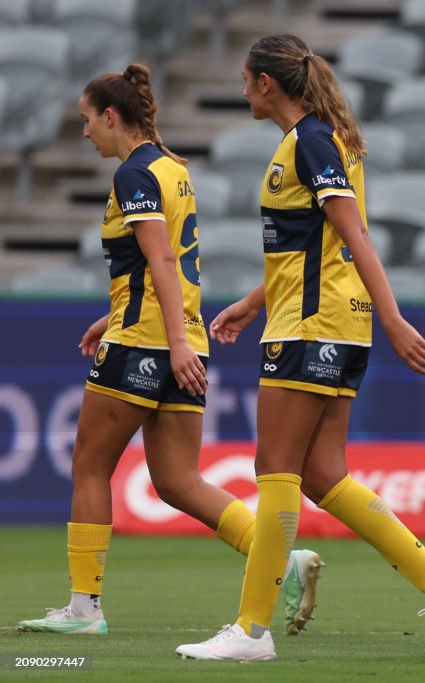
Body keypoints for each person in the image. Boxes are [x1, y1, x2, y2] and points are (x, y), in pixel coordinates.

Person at [174, 34, 425, 663]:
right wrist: (254, 301)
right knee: (324, 475)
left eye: (245, 78)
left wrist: (396, 319)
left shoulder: (310, 142)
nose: (241, 89)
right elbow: (314, 246)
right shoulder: (320, 140)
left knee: (276, 469)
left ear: (267, 83)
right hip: (335, 323)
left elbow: (355, 234)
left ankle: (252, 631)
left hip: (312, 326)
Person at [16, 64, 325, 637]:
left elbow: (161, 260)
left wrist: (167, 339)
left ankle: (84, 609)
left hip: (146, 345)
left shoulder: (134, 176)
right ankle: (280, 558)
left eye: (87, 120)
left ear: (111, 117)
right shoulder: (173, 169)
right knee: (178, 481)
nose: (84, 133)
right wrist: (125, 317)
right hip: (177, 340)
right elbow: (165, 265)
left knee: (89, 465)